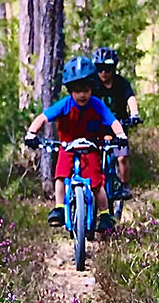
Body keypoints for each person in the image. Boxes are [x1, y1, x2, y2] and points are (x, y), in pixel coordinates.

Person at [24, 55, 128, 232]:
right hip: (68, 147)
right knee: (60, 176)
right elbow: (42, 118)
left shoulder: (97, 104)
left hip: (90, 148)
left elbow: (113, 121)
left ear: (92, 88)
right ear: (70, 91)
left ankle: (104, 214)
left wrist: (120, 135)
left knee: (97, 184)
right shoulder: (65, 105)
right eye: (77, 91)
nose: (82, 95)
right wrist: (31, 133)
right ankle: (59, 207)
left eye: (86, 90)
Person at [92, 47, 140, 199]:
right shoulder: (92, 84)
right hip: (98, 126)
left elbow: (130, 98)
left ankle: (124, 185)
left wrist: (134, 114)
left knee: (122, 157)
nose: (103, 72)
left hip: (119, 125)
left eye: (107, 68)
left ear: (113, 68)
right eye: (100, 68)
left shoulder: (121, 83)